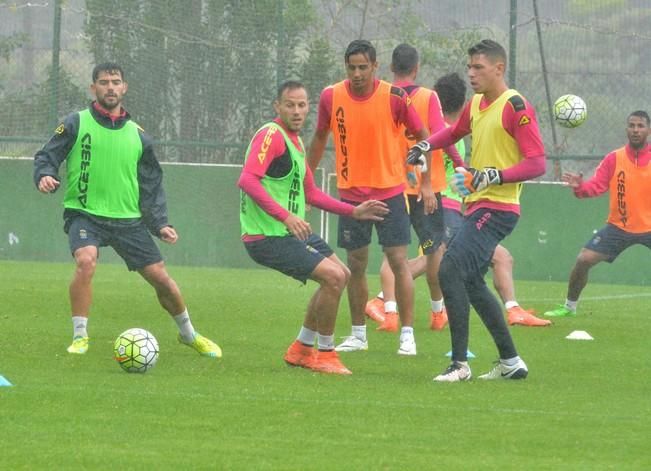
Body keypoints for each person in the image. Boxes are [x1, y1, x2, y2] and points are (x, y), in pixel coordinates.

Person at [33, 62, 222, 358]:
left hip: (127, 220)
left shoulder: (139, 135)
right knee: (86, 260)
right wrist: (45, 174)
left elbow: (150, 184)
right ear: (93, 88)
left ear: (124, 88)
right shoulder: (75, 122)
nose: (110, 87)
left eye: (116, 82)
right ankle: (80, 337)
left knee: (161, 278)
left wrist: (159, 224)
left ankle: (189, 334)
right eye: (104, 82)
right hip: (85, 213)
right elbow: (47, 155)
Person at [407, 40, 546, 382]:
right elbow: (453, 132)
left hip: (499, 208)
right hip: (479, 205)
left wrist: (493, 175)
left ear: (499, 69)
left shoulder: (515, 105)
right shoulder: (476, 105)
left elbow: (538, 162)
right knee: (470, 280)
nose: (471, 73)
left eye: (478, 67)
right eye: (469, 67)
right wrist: (424, 143)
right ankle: (511, 361)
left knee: (449, 268)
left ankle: (459, 364)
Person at [367, 72, 550, 330]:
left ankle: (509, 309)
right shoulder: (445, 133)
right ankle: (385, 301)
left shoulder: (438, 129)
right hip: (446, 206)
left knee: (491, 258)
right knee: (436, 259)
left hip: (448, 204)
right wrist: (440, 180)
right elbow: (440, 155)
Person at [238, 80, 388, 375]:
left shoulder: (293, 142)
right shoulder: (272, 134)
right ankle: (326, 354)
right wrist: (286, 217)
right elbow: (247, 179)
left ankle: (302, 348)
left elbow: (313, 193)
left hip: (288, 232)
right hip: (266, 235)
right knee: (333, 277)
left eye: (302, 105)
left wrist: (353, 211)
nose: (297, 111)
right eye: (290, 105)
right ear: (277, 107)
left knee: (341, 274)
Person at [307, 39, 430, 356]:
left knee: (399, 262)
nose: (358, 73)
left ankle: (407, 334)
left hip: (390, 194)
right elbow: (320, 137)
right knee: (355, 265)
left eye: (364, 67)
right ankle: (359, 333)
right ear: (346, 67)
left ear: (376, 66)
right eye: (352, 67)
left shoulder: (395, 97)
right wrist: (307, 178)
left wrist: (424, 180)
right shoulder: (330, 96)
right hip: (351, 198)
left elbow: (423, 137)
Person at [364, 44, 464, 334]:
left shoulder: (380, 96)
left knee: (392, 254)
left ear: (391, 68)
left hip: (391, 185)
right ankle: (437, 313)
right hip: (422, 190)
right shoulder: (428, 97)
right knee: (435, 253)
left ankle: (391, 313)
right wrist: (432, 182)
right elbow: (437, 138)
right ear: (417, 68)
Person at [544, 110, 651, 318]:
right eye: (632, 125)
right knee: (584, 259)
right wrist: (580, 186)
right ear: (627, 129)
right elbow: (597, 185)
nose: (636, 130)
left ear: (648, 129)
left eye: (640, 126)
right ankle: (569, 307)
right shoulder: (614, 158)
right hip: (619, 227)